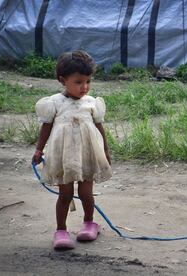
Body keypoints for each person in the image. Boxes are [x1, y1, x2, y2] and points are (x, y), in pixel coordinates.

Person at [32, 50, 112, 250]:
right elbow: (47, 127)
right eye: (78, 82)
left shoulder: (91, 103)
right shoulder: (54, 103)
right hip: (63, 157)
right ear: (63, 80)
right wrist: (39, 149)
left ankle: (89, 223)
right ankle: (61, 230)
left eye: (88, 81)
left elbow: (99, 128)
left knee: (86, 193)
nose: (84, 87)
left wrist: (106, 152)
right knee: (65, 195)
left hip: (87, 155)